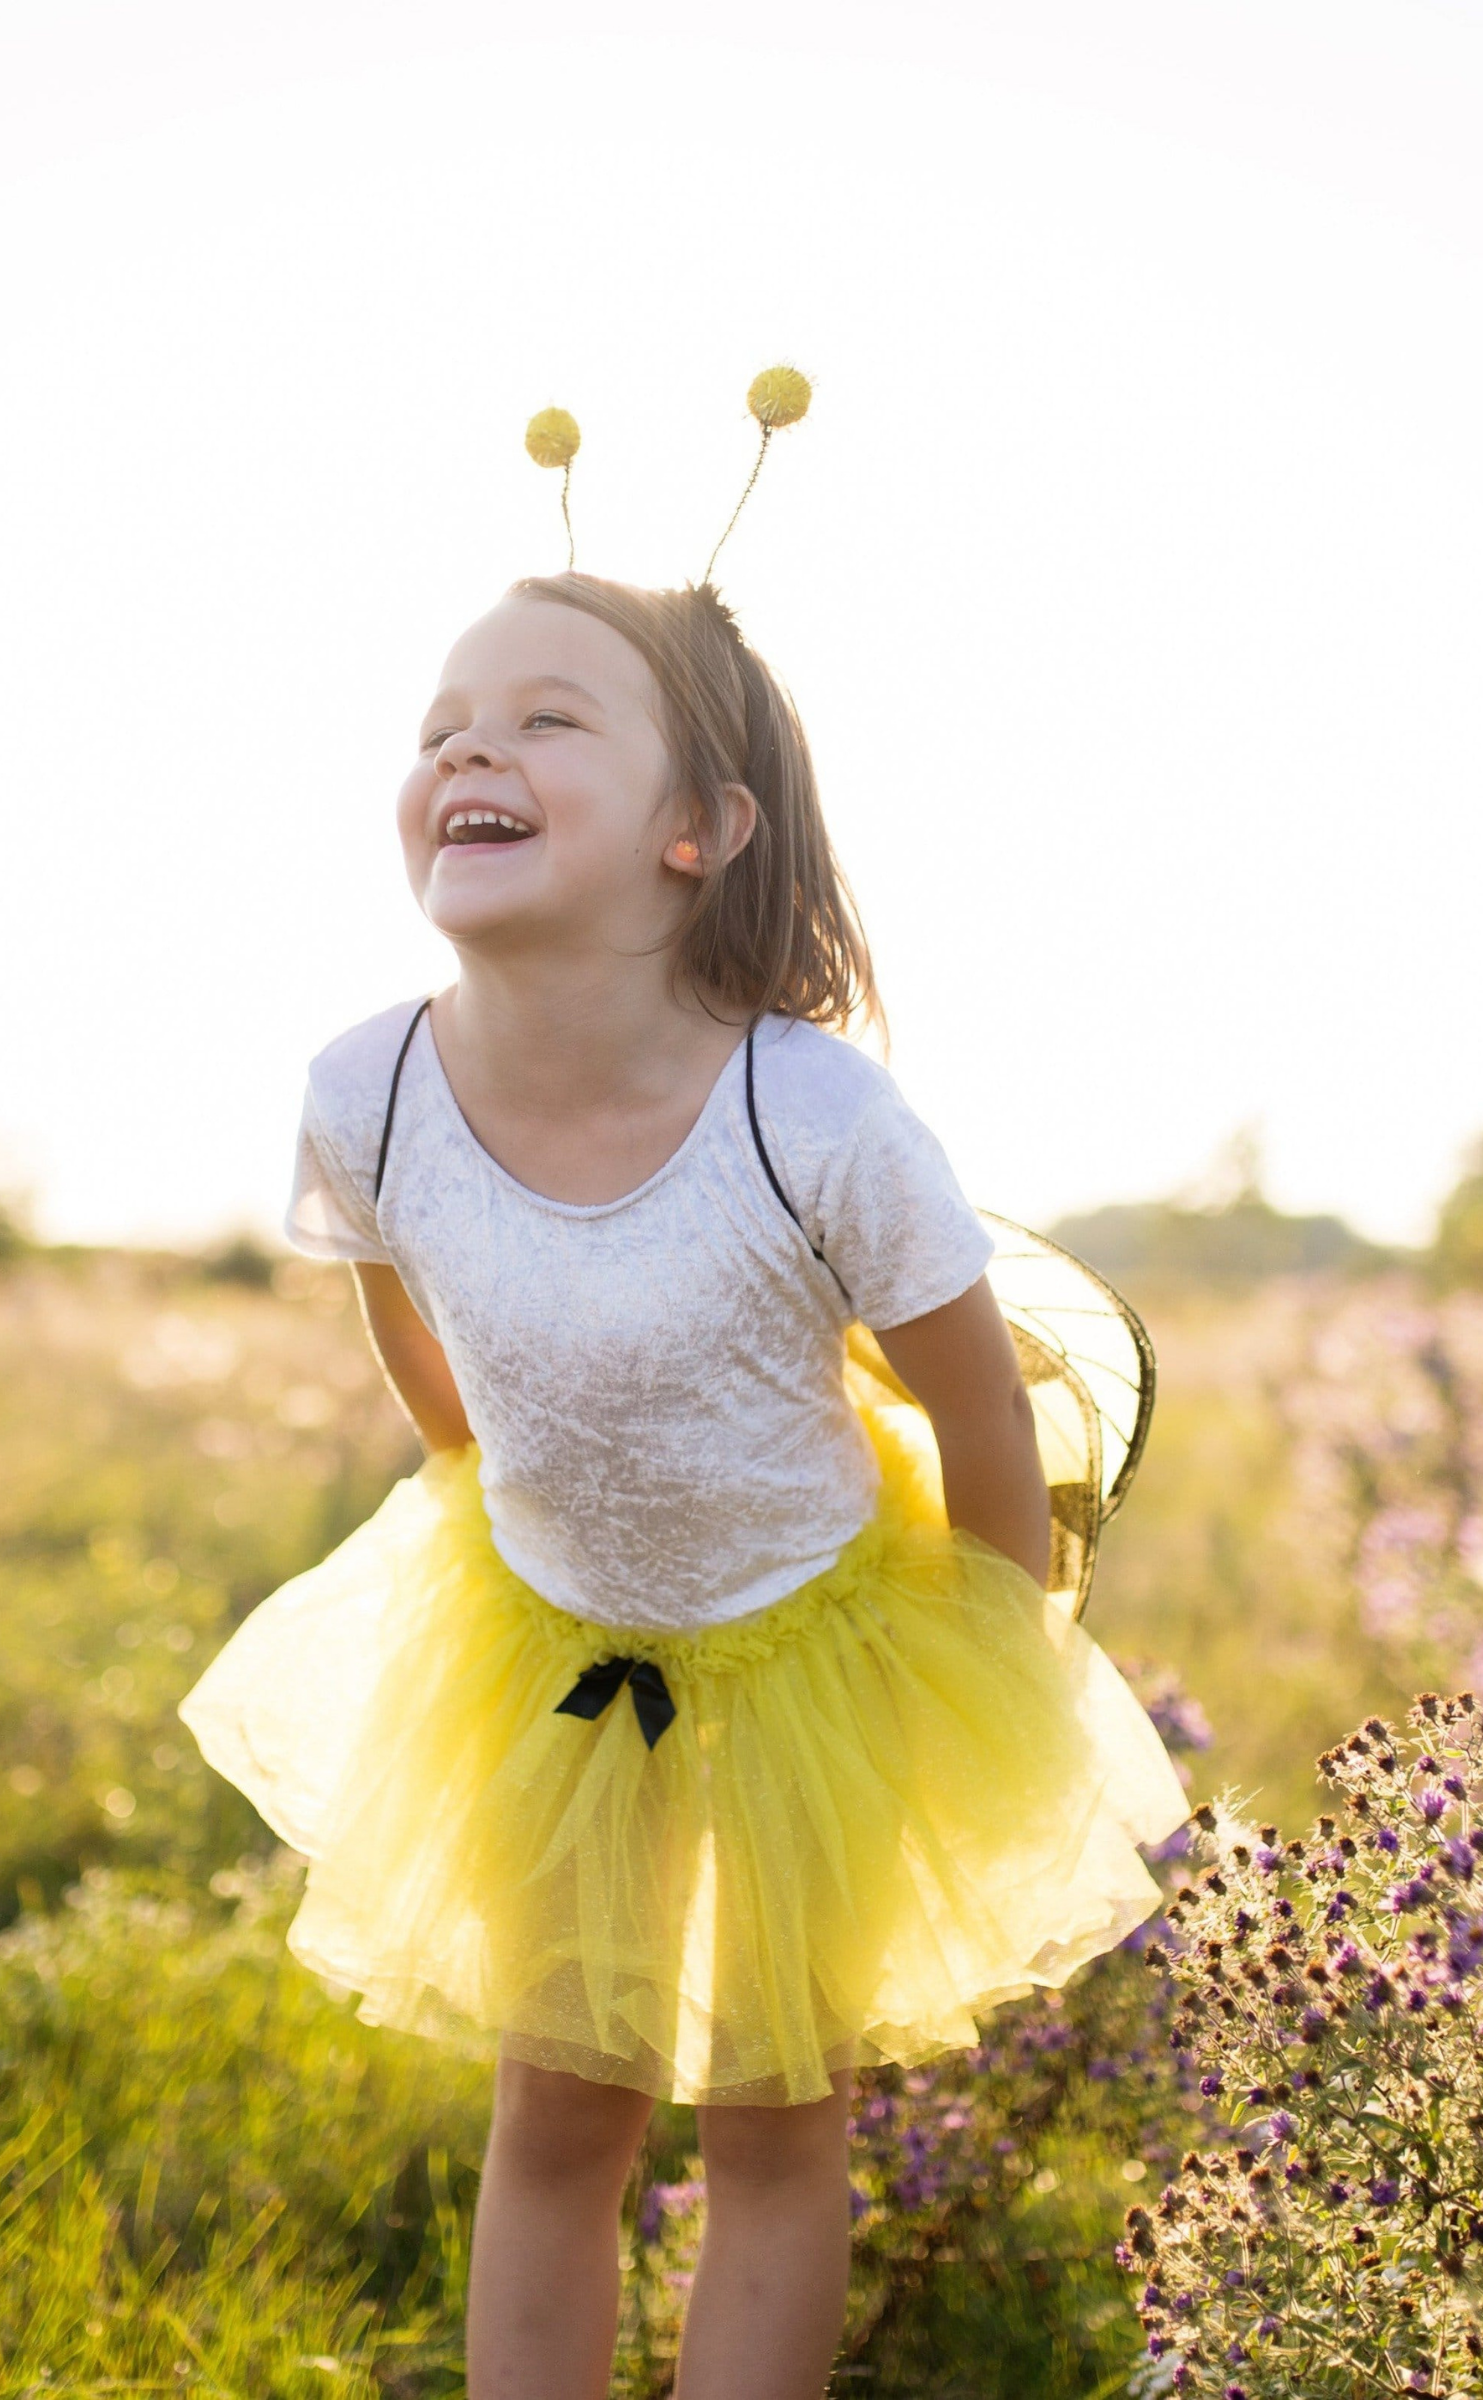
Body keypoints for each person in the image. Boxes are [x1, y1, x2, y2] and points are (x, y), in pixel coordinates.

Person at [179, 568, 1190, 2400]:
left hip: (830, 1641)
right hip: (556, 1639)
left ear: (699, 832)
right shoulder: (370, 1093)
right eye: (441, 724)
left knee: (775, 2132)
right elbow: (435, 1369)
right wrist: (526, 1540)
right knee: (558, 2110)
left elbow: (979, 1421)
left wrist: (971, 1699)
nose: (471, 741)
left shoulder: (817, 1121)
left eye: (552, 715)